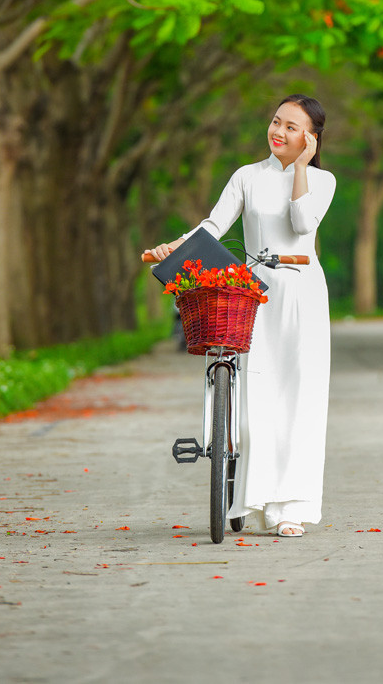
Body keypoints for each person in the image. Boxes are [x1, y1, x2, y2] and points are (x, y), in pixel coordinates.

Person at [144, 94, 336, 537]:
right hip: (254, 292)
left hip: (302, 294)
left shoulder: (322, 180)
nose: (278, 131)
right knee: (256, 398)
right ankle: (253, 497)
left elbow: (302, 223)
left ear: (310, 138)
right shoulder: (247, 176)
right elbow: (214, 226)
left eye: (291, 127)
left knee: (301, 399)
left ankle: (290, 509)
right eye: (276, 121)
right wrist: (175, 246)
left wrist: (301, 168)